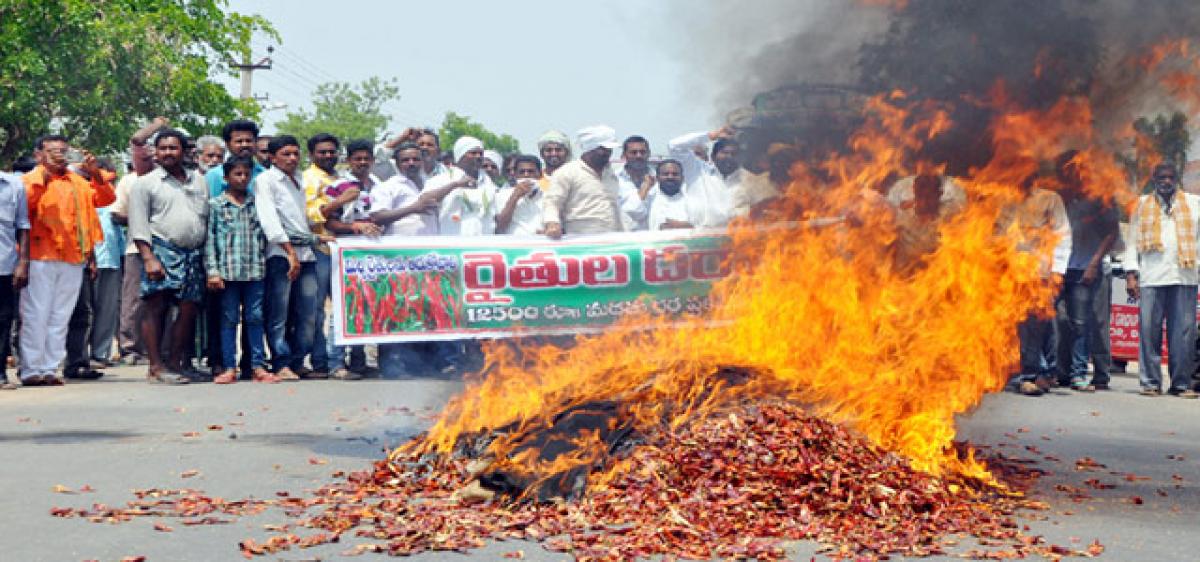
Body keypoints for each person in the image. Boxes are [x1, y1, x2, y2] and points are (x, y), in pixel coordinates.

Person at [20, 135, 116, 386]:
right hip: (40, 254)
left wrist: (94, 172)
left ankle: (50, 368)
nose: (60, 155)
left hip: (73, 256)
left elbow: (106, 199)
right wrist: (45, 172)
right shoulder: (31, 178)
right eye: (53, 151)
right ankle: (31, 369)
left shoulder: (77, 181)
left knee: (61, 315)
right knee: (36, 313)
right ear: (39, 154)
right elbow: (25, 203)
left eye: (64, 150)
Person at [369, 142, 463, 377]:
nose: (411, 164)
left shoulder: (431, 185)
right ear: (398, 164)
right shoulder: (388, 186)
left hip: (430, 260)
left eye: (415, 159)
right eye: (405, 160)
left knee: (430, 312)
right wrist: (414, 208)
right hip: (398, 260)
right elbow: (377, 217)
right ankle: (393, 367)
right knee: (398, 311)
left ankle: (429, 365)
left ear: (423, 161)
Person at [128, 129, 210, 384]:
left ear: (184, 151)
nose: (167, 153)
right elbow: (138, 224)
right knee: (156, 306)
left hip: (193, 253)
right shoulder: (145, 183)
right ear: (155, 151)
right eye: (162, 148)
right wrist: (149, 257)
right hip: (162, 249)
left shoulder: (198, 180)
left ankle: (176, 363)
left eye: (173, 148)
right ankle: (156, 366)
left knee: (188, 309)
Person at [255, 135, 331, 381]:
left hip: (306, 255)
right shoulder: (265, 181)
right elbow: (270, 221)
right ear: (273, 157)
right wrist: (290, 252)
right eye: (286, 154)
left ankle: (298, 359)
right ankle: (281, 362)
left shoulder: (299, 179)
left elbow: (302, 219)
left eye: (295, 154)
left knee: (307, 313)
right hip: (281, 255)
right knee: (279, 313)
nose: (292, 158)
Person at [1124, 163, 1200, 398]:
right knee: (1149, 331)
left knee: (1183, 333)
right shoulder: (1142, 204)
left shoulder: (1194, 204)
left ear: (1177, 179)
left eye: (1170, 177)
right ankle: (1150, 383)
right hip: (1151, 276)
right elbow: (1132, 240)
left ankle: (1180, 384)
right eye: (1161, 177)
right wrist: (1130, 273)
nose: (1166, 181)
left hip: (1184, 275)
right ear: (1153, 178)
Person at [204, 156, 278, 384]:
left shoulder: (257, 203)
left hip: (255, 270)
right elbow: (210, 240)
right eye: (237, 174)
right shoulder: (216, 205)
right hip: (227, 272)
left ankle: (257, 365)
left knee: (255, 318)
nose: (243, 178)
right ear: (226, 178)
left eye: (246, 174)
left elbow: (272, 230)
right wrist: (213, 271)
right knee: (228, 319)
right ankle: (229, 366)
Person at [997, 172, 1072, 397]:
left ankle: (1032, 375)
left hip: (1039, 272)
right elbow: (997, 233)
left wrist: (1057, 271)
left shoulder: (1050, 199)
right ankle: (1019, 373)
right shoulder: (1003, 200)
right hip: (1009, 272)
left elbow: (1063, 235)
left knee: (1035, 324)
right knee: (1012, 325)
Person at [1053, 151, 1118, 392]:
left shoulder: (1100, 197)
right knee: (1053, 321)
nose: (1073, 172)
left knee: (1081, 323)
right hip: (1058, 269)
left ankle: (1080, 373)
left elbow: (1111, 233)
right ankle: (1053, 371)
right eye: (1067, 168)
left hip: (1083, 269)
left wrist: (1093, 263)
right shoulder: (1057, 196)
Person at [322, 139, 382, 380]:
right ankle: (335, 363)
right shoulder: (339, 186)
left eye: (367, 158)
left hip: (374, 255)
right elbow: (329, 221)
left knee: (366, 308)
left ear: (373, 161)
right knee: (342, 309)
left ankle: (359, 361)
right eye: (357, 158)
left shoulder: (379, 185)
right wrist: (354, 226)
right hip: (347, 253)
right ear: (349, 161)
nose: (363, 162)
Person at [64, 159, 124, 379]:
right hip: (57, 258)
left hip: (91, 258)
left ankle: (82, 361)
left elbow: (108, 198)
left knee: (85, 312)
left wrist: (91, 259)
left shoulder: (87, 191)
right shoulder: (52, 188)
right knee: (63, 312)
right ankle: (50, 362)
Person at [543, 126, 625, 238]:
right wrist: (552, 223)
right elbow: (552, 203)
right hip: (579, 242)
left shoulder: (611, 175)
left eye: (609, 150)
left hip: (611, 241)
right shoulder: (567, 172)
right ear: (589, 149)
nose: (608, 153)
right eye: (603, 149)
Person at [667, 128, 739, 228]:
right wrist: (711, 135)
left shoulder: (746, 180)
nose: (729, 157)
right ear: (713, 156)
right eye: (724, 153)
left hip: (733, 237)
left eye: (734, 154)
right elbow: (674, 146)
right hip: (697, 236)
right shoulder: (697, 170)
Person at [0, 169, 30, 389]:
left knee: (3, 320)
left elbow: (23, 226)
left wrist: (23, 262)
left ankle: (0, 373)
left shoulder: (14, 185)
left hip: (5, 264)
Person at [433, 136, 497, 236]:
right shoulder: (442, 179)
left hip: (484, 244)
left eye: (481, 153)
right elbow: (424, 200)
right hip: (453, 245)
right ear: (460, 156)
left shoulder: (489, 184)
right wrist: (455, 185)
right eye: (473, 153)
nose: (478, 156)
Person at [206, 120, 264, 198]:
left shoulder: (264, 173)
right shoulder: (215, 174)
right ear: (227, 145)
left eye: (249, 141)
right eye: (239, 141)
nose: (245, 145)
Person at [494, 155, 546, 235]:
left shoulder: (548, 197)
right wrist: (515, 196)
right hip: (514, 245)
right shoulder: (501, 195)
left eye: (531, 171)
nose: (526, 175)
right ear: (515, 175)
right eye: (522, 172)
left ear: (540, 175)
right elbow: (500, 228)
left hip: (539, 243)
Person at [616, 135, 656, 231]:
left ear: (649, 154)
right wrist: (645, 187)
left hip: (654, 239)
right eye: (633, 152)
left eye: (642, 152)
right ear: (624, 155)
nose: (639, 156)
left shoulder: (660, 178)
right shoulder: (614, 179)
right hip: (626, 238)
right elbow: (634, 211)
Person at [647, 159, 693, 231]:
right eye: (666, 174)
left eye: (675, 174)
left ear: (682, 178)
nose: (670, 177)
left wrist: (680, 226)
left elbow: (701, 225)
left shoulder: (691, 199)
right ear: (657, 178)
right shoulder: (649, 198)